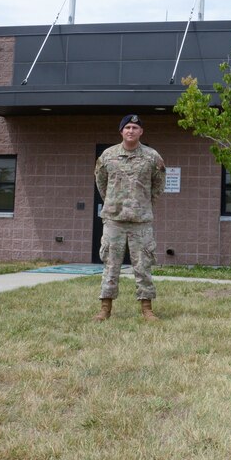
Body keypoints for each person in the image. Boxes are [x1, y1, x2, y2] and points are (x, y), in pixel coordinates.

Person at [93, 114, 166, 323]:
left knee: (143, 265)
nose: (131, 131)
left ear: (141, 132)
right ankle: (105, 309)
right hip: (114, 220)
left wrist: (143, 203)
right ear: (121, 131)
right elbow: (101, 182)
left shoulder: (152, 157)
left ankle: (147, 309)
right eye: (127, 128)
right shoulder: (108, 156)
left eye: (135, 127)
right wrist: (113, 202)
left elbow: (158, 185)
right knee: (110, 265)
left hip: (141, 221)